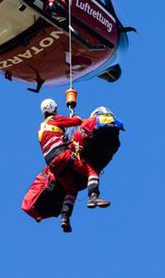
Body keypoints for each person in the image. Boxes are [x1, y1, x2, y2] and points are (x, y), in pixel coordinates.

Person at [36, 97, 94, 232]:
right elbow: (76, 122)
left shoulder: (41, 129)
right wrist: (77, 117)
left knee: (71, 189)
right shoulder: (55, 119)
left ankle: (65, 218)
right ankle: (94, 196)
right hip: (62, 156)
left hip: (53, 165)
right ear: (53, 109)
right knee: (91, 170)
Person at [71, 106, 124, 210]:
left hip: (85, 157)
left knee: (72, 188)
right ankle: (92, 198)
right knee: (92, 171)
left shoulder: (90, 123)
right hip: (95, 155)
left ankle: (66, 215)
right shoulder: (109, 126)